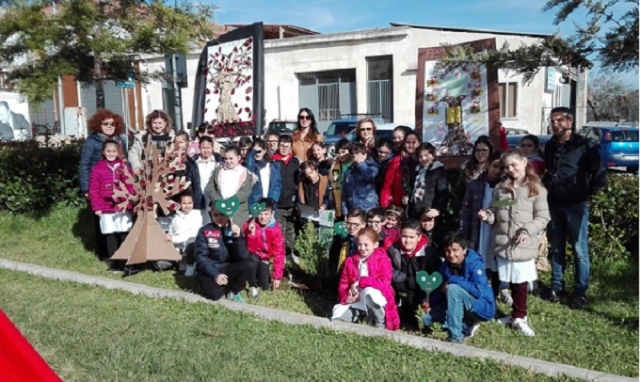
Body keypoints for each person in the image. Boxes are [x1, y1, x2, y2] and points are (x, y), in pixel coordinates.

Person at [479, 149, 550, 336]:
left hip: (522, 243)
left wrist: (528, 230)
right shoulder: (501, 189)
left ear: (524, 162)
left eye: (514, 165)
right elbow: (497, 211)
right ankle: (508, 314)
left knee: (520, 281)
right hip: (503, 242)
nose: (511, 169)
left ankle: (520, 316)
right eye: (507, 166)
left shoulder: (536, 189)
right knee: (503, 277)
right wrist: (488, 216)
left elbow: (543, 217)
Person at [542, 107, 607, 308]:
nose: (555, 124)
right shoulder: (550, 145)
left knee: (580, 250)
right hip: (554, 204)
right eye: (552, 121)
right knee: (558, 248)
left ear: (570, 122)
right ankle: (556, 287)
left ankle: (579, 292)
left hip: (576, 206)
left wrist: (585, 193)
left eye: (559, 120)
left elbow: (599, 174)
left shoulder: (584, 146)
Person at [421, 232, 496, 344]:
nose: (451, 254)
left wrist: (454, 279)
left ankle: (455, 336)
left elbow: (478, 291)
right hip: (456, 305)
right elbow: (440, 289)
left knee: (453, 289)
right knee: (426, 319)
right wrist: (429, 302)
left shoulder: (474, 263)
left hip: (480, 305)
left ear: (464, 250)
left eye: (455, 250)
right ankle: (466, 324)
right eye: (447, 250)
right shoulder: (445, 266)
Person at [79, 109, 128, 260]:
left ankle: (122, 253)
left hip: (119, 188)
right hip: (99, 187)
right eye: (105, 123)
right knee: (102, 222)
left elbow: (124, 162)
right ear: (99, 124)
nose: (109, 126)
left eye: (112, 123)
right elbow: (84, 165)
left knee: (120, 223)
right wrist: (86, 189)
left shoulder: (120, 140)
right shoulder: (92, 142)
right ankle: (105, 254)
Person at [331, 227, 401, 330]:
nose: (362, 248)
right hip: (357, 298)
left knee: (369, 292)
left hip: (377, 296)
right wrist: (347, 297)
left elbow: (384, 283)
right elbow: (343, 285)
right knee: (337, 316)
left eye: (366, 245)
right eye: (359, 244)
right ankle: (360, 315)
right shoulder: (350, 261)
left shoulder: (383, 259)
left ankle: (380, 320)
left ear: (375, 245)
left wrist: (361, 281)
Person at [459, 151, 506, 301]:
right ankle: (480, 290)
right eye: (495, 166)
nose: (497, 171)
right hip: (479, 229)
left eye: (501, 168)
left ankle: (496, 291)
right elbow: (466, 209)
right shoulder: (476, 184)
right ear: (488, 165)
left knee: (496, 261)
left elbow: (509, 205)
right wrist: (464, 231)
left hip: (498, 229)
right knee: (481, 258)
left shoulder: (507, 187)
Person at [88, 140, 134, 271]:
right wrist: (97, 207)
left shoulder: (124, 167)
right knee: (110, 234)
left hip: (123, 207)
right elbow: (94, 190)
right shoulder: (98, 168)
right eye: (108, 151)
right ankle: (114, 262)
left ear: (118, 152)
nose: (111, 154)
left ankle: (126, 260)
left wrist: (130, 202)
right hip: (106, 208)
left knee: (124, 233)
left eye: (114, 151)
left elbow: (130, 185)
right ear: (103, 152)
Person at [194, 203, 254, 302]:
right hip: (210, 269)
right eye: (216, 215)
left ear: (228, 215)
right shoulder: (204, 231)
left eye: (222, 214)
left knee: (249, 263)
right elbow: (201, 257)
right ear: (211, 214)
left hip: (227, 267)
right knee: (216, 294)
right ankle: (218, 283)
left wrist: (238, 238)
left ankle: (233, 290)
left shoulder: (235, 230)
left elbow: (243, 256)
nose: (219, 218)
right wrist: (215, 275)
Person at [387, 219, 438, 327]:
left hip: (421, 293)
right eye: (404, 236)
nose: (407, 240)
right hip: (399, 289)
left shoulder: (429, 254)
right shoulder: (392, 250)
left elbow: (434, 279)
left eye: (411, 237)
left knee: (423, 322)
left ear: (419, 237)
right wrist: (402, 278)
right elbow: (387, 270)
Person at [242, 198, 285, 300]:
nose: (263, 217)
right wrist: (252, 234)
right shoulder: (250, 224)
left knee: (265, 286)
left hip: (265, 257)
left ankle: (259, 278)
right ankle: (253, 285)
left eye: (266, 214)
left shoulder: (276, 230)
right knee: (252, 260)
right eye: (260, 214)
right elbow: (250, 249)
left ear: (272, 213)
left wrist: (277, 277)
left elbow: (279, 254)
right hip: (253, 254)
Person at [205, 145, 254, 226]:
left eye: (231, 158)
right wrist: (218, 201)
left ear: (238, 157)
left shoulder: (245, 173)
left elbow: (245, 192)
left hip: (238, 212)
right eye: (226, 159)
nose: (228, 161)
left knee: (236, 235)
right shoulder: (218, 171)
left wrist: (231, 202)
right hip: (219, 210)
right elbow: (210, 187)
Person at [324, 208, 367, 292]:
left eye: (356, 224)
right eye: (349, 223)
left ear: (363, 225)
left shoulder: (366, 243)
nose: (351, 227)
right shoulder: (345, 239)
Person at [272, 134, 301, 252]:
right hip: (278, 203)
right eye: (282, 146)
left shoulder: (295, 162)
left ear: (291, 148)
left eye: (287, 146)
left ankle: (290, 257)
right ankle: (279, 257)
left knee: (291, 231)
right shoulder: (273, 161)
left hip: (292, 203)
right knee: (279, 232)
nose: (284, 148)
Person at [452, 136, 494, 215]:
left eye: (484, 150)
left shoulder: (495, 168)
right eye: (477, 150)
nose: (480, 153)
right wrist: (459, 210)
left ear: (490, 151)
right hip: (470, 212)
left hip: (490, 211)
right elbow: (457, 192)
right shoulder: (466, 168)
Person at [380, 131, 420, 210]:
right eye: (408, 142)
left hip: (418, 205)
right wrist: (385, 207)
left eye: (414, 142)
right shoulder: (397, 161)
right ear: (404, 143)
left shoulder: (422, 160)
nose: (411, 145)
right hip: (399, 205)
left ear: (418, 143)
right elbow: (387, 186)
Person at [166, 191, 202, 277]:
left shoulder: (197, 215)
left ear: (193, 203)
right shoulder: (175, 217)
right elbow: (171, 230)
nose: (187, 205)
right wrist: (169, 236)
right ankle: (179, 263)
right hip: (178, 248)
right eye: (184, 203)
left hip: (190, 246)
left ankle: (190, 266)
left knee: (192, 241)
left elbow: (192, 234)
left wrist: (173, 239)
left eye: (190, 203)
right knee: (162, 264)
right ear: (179, 204)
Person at [186, 136, 221, 225]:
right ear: (199, 148)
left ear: (212, 147)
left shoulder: (219, 161)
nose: (206, 151)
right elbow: (189, 181)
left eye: (208, 148)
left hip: (214, 197)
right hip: (199, 197)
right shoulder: (193, 162)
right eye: (203, 148)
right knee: (201, 223)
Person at [410, 142, 449, 220]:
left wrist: (438, 210)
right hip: (416, 211)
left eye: (426, 155)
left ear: (433, 156)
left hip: (430, 212)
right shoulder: (417, 171)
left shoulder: (439, 171)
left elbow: (444, 193)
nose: (423, 159)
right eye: (420, 156)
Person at [129, 110, 175, 174]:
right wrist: (136, 166)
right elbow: (133, 153)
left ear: (165, 123)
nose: (157, 126)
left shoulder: (171, 137)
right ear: (150, 123)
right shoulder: (142, 137)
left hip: (166, 173)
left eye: (160, 123)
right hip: (147, 173)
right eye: (154, 123)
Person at [244, 138, 282, 212]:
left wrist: (273, 200)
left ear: (264, 151)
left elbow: (277, 185)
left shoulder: (272, 167)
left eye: (259, 151)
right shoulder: (250, 166)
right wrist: (251, 155)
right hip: (254, 204)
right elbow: (249, 169)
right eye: (254, 151)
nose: (257, 153)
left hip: (269, 203)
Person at [341, 142, 379, 214]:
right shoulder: (349, 171)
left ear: (365, 155)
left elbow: (370, 176)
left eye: (357, 154)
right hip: (352, 208)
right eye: (353, 155)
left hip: (368, 207)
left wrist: (361, 163)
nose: (355, 158)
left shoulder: (372, 166)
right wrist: (345, 211)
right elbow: (344, 193)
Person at [322, 138, 352, 219]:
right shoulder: (335, 166)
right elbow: (333, 187)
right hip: (338, 204)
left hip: (351, 205)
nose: (341, 155)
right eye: (338, 153)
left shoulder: (353, 165)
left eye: (343, 152)